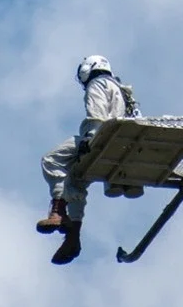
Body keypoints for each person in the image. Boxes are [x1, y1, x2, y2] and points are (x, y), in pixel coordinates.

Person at [36, 54, 142, 264]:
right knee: (76, 178)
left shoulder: (97, 83)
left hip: (102, 138)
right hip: (120, 143)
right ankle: (73, 233)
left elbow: (97, 113)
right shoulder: (123, 90)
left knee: (51, 159)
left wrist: (90, 138)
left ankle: (58, 208)